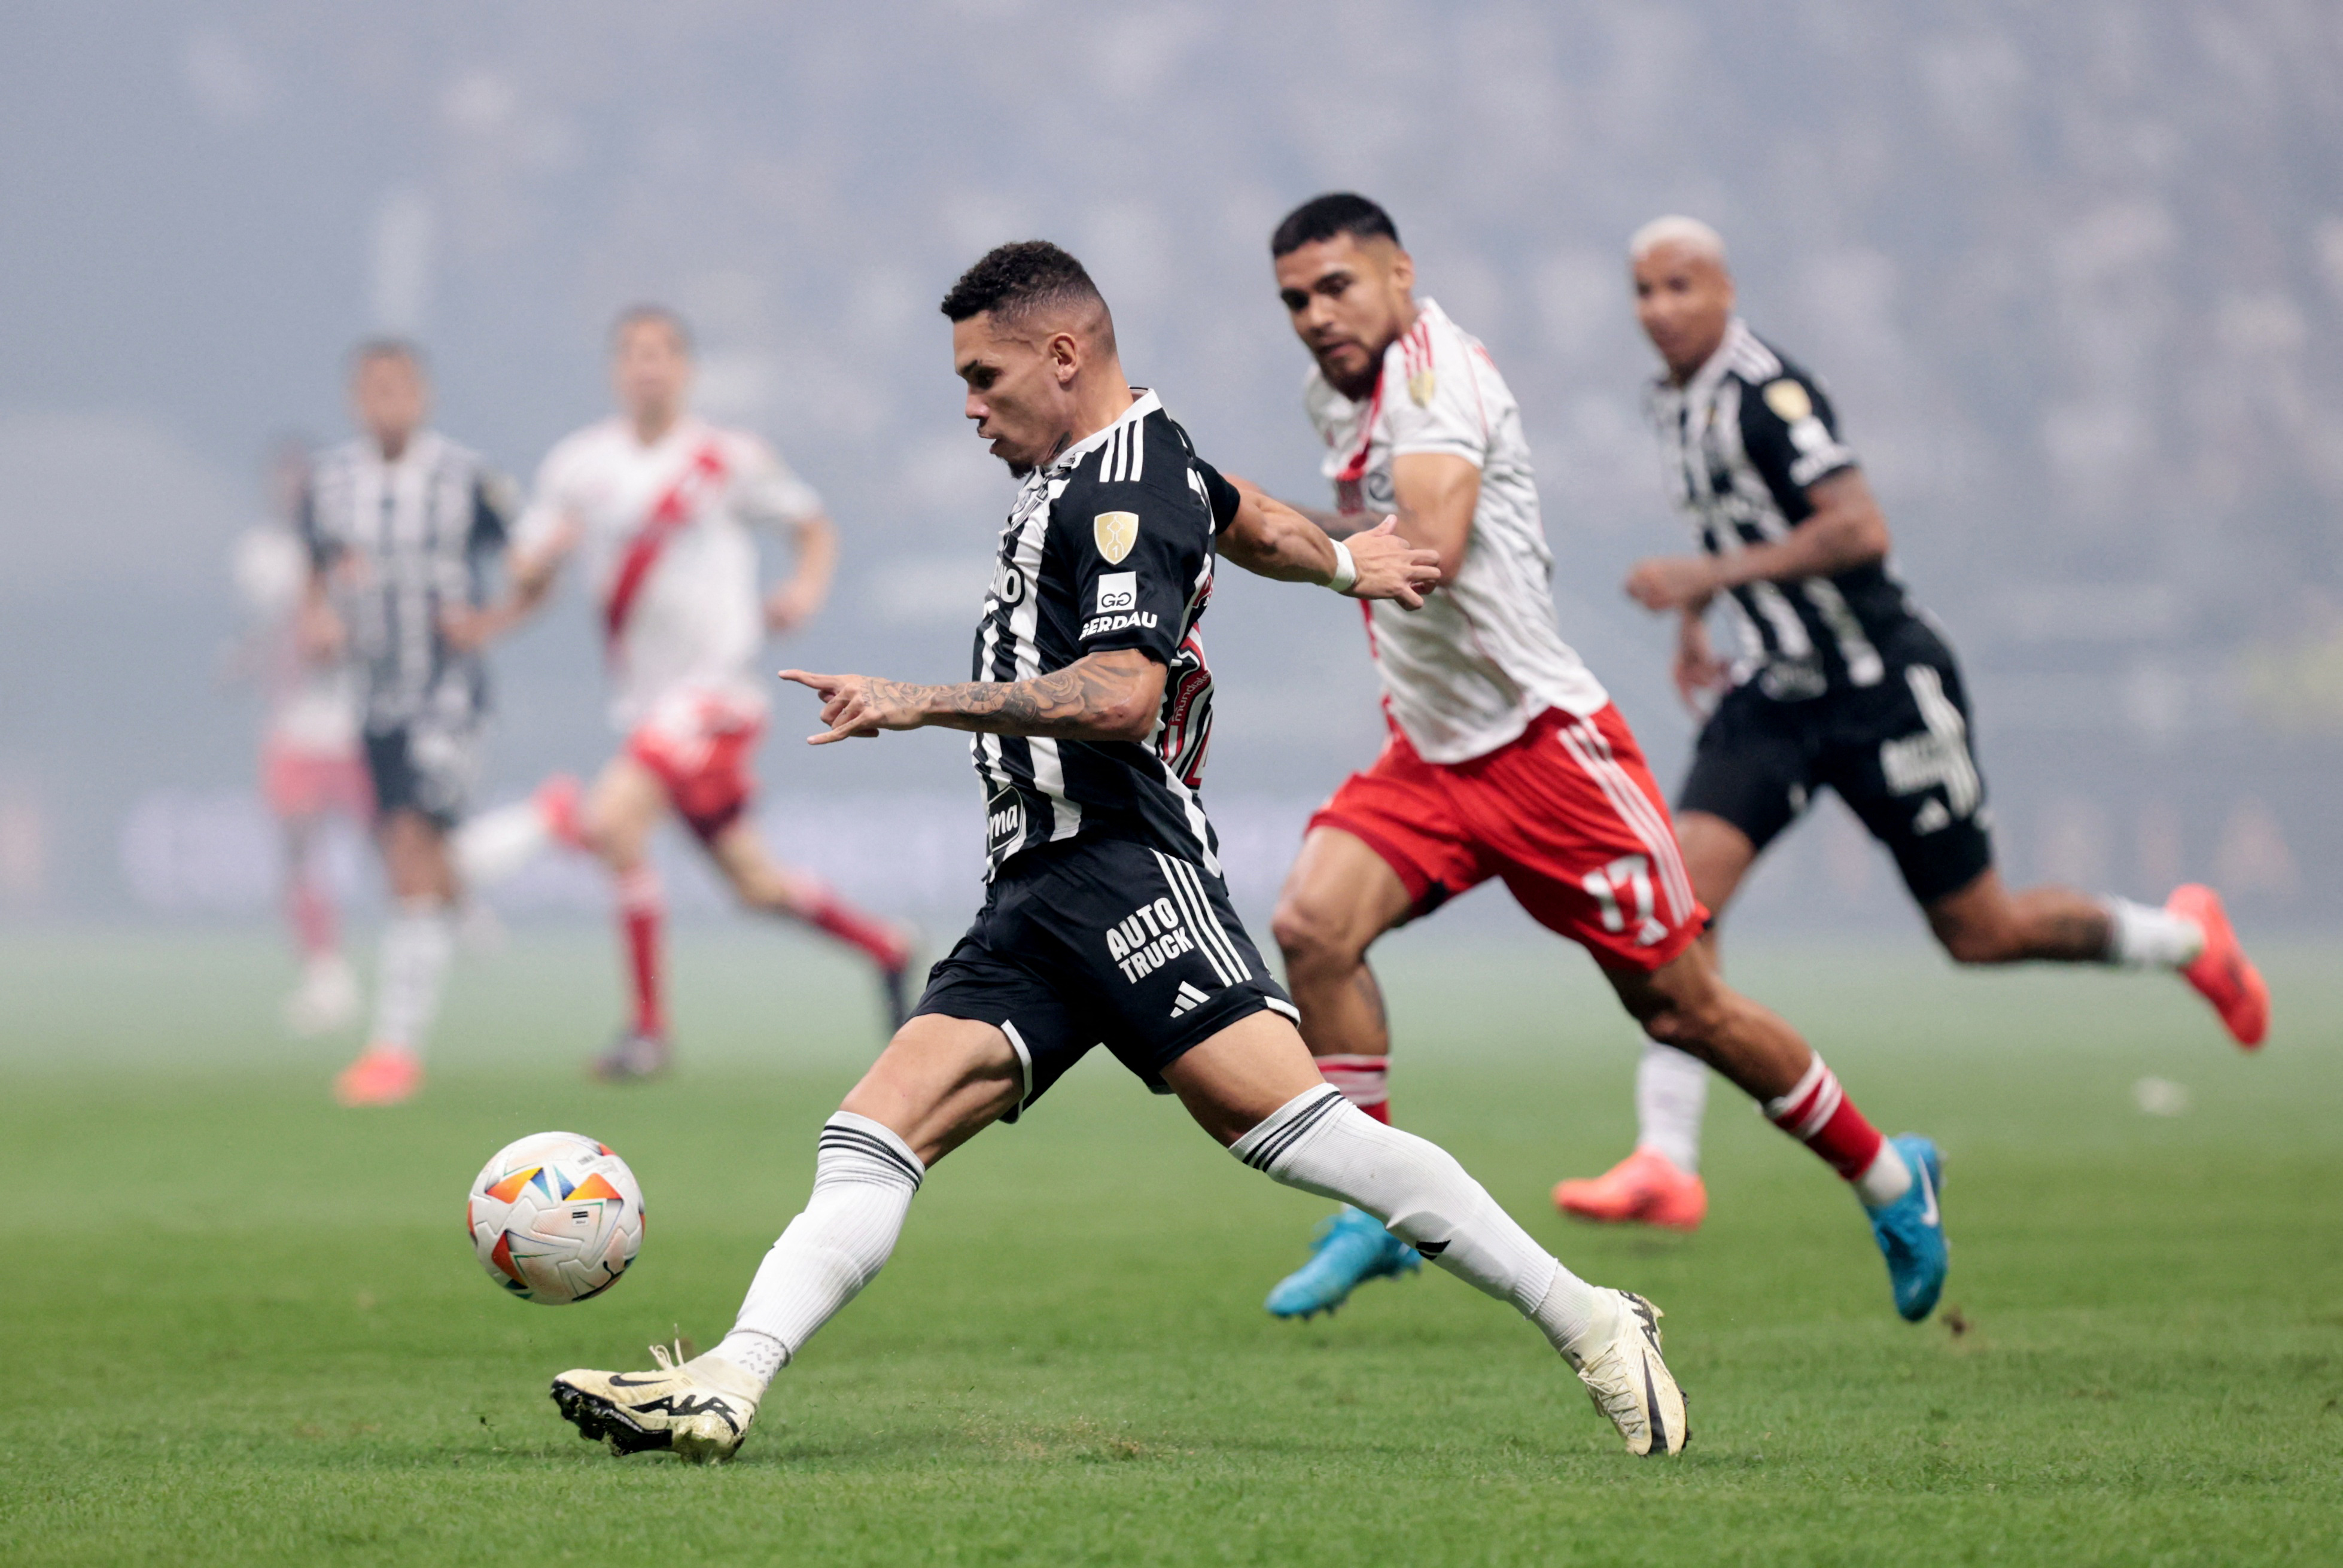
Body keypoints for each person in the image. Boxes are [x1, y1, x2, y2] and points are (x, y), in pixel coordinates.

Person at [546, 241, 1688, 1462]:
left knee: (1310, 1133)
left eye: (984, 377)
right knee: (871, 1131)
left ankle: (1595, 1321)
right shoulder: (1143, 454)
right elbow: (1236, 508)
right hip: (1037, 887)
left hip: (1125, 865)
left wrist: (914, 698)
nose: (970, 406)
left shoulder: (1116, 494)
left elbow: (1119, 695)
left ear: (1062, 353)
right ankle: (727, 1378)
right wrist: (1346, 559)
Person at [1252, 193, 1950, 1325]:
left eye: (1336, 287)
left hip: (1546, 752)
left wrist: (1249, 520)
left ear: (1397, 274)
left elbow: (1423, 551)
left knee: (1685, 1012)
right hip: (1431, 754)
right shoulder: (1330, 395)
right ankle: (1371, 1212)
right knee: (1310, 929)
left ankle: (1887, 1174)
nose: (1316, 316)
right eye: (1294, 299)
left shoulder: (1438, 382)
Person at [1550, 217, 2271, 1230]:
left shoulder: (1768, 394)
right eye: (1643, 291)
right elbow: (1733, 523)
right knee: (1678, 914)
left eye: (1679, 287)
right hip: (1777, 694)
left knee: (1980, 931)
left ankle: (2182, 938)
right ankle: (1666, 1162)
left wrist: (1703, 578)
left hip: (1881, 684)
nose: (1659, 309)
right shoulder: (1672, 401)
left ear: (1724, 289)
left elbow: (1857, 526)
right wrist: (1701, 617)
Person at [465, 307, 915, 1080]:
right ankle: (886, 947)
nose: (648, 367)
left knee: (610, 819)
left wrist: (804, 590)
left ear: (686, 369)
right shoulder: (579, 466)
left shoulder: (725, 458)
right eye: (634, 354)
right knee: (753, 884)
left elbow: (812, 524)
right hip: (644, 702)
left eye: (662, 353)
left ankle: (645, 1028)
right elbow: (530, 572)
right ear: (615, 370)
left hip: (716, 693)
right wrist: (528, 575)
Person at [298, 342, 519, 1106]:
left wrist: (491, 620)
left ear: (422, 395)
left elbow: (530, 563)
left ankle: (394, 1051)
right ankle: (545, 824)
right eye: (373, 389)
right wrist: (319, 618)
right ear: (356, 397)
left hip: (448, 691)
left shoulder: (464, 478)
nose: (387, 402)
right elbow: (314, 572)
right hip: (375, 697)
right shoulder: (330, 482)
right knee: (409, 850)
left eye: (400, 388)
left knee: (410, 849)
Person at [232, 437, 370, 1036]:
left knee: (397, 844)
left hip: (354, 722)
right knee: (297, 846)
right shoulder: (261, 554)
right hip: (295, 725)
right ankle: (324, 970)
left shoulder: (354, 553)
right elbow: (272, 631)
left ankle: (459, 907)